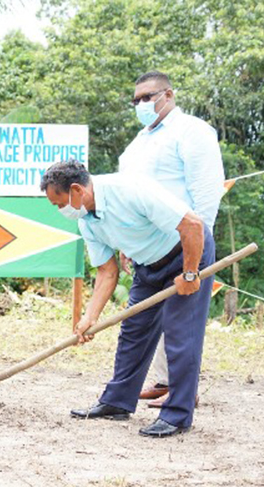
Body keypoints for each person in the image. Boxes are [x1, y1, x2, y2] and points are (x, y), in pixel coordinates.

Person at [42, 160, 214, 438]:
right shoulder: (87, 219)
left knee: (180, 334)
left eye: (58, 203)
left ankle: (178, 415)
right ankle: (117, 402)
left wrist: (191, 274)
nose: (60, 210)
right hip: (147, 265)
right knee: (134, 330)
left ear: (76, 190)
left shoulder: (130, 189)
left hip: (186, 253)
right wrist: (90, 317)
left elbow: (192, 225)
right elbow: (107, 271)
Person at [119, 71, 225, 408]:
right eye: (136, 100)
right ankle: (164, 383)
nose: (141, 104)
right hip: (148, 249)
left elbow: (206, 193)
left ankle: (181, 395)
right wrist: (128, 242)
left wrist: (197, 249)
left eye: (147, 97)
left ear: (169, 95)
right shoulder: (138, 143)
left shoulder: (191, 132)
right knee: (142, 322)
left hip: (185, 243)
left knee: (182, 327)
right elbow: (128, 197)